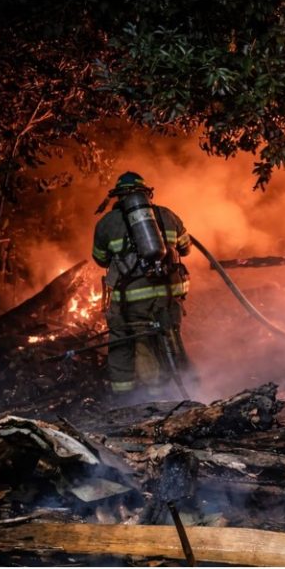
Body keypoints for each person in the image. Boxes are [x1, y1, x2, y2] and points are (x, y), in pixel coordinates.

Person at [91, 171, 193, 399]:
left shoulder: (107, 223)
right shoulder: (167, 215)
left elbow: (100, 259)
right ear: (146, 193)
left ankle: (138, 399)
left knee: (132, 343)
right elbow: (186, 247)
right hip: (169, 294)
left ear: (118, 197)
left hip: (132, 299)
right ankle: (189, 388)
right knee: (171, 337)